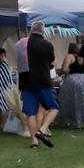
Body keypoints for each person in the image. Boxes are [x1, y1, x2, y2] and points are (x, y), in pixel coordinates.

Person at [22, 21, 58, 149]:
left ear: (31, 30)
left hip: (26, 82)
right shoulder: (47, 45)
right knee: (54, 107)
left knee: (30, 113)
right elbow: (52, 63)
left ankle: (34, 142)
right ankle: (42, 130)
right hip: (43, 81)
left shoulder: (22, 44)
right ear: (43, 31)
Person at [57, 43, 84, 128]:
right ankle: (83, 121)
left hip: (73, 80)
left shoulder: (70, 56)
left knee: (69, 101)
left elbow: (64, 69)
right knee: (83, 101)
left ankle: (70, 120)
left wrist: (59, 73)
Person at [0, 47, 16, 129]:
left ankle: (3, 124)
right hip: (8, 89)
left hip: (3, 90)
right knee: (5, 108)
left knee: (3, 108)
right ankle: (3, 124)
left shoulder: (2, 66)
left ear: (3, 55)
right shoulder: (5, 65)